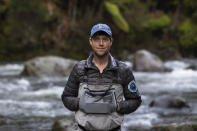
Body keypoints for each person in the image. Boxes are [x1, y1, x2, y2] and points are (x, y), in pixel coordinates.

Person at [61, 23, 142, 131]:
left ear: (111, 41)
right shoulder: (79, 68)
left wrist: (118, 106)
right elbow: (66, 97)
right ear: (90, 41)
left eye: (105, 39)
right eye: (97, 39)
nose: (101, 43)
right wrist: (80, 103)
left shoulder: (123, 70)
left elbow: (135, 100)